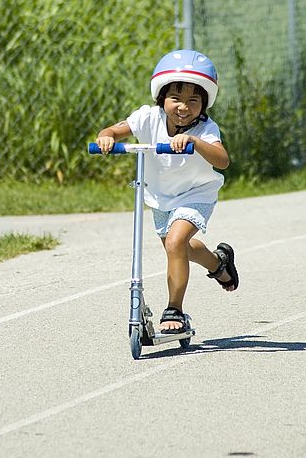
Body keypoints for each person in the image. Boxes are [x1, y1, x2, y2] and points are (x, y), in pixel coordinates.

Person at [95, 49, 239, 334]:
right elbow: (112, 130)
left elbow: (222, 160)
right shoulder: (147, 118)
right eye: (176, 98)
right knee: (181, 248)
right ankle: (219, 264)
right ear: (162, 98)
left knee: (175, 243)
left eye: (193, 100)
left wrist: (195, 143)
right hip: (161, 197)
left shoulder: (206, 129)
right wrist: (106, 138)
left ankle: (175, 309)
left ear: (204, 103)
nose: (183, 107)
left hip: (196, 194)